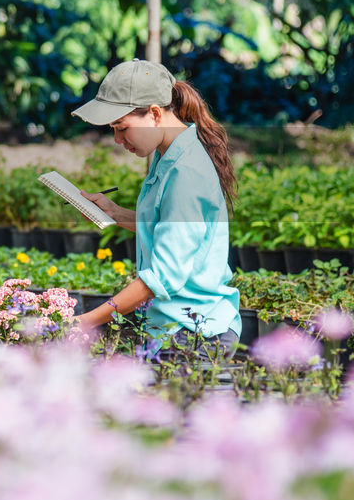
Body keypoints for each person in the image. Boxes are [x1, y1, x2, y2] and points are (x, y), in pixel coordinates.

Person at [71, 59, 240, 355]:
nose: (117, 139)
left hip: (193, 335)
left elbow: (162, 276)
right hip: (173, 327)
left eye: (122, 128)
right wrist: (114, 213)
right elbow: (169, 227)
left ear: (154, 113)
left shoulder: (186, 171)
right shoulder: (170, 154)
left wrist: (86, 320)